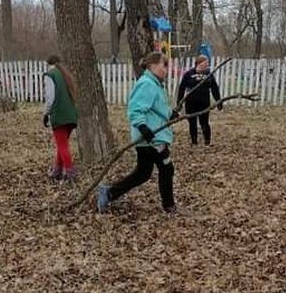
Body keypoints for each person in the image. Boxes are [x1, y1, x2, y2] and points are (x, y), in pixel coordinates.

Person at [98, 51, 177, 215]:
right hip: (152, 138)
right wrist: (142, 127)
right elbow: (136, 107)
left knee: (143, 173)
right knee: (166, 169)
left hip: (152, 136)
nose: (166, 70)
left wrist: (170, 114)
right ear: (153, 66)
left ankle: (109, 193)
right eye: (164, 65)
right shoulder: (147, 83)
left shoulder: (155, 84)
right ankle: (169, 207)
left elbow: (156, 109)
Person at [43, 55, 79, 181]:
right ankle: (56, 172)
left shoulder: (50, 75)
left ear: (48, 64)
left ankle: (71, 174)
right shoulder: (65, 74)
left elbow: (50, 97)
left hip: (59, 116)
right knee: (62, 144)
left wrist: (46, 114)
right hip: (71, 116)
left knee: (63, 146)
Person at [176, 54, 222, 146]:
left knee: (204, 122)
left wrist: (218, 101)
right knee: (192, 123)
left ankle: (207, 142)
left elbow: (214, 88)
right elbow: (182, 88)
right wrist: (179, 103)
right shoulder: (189, 74)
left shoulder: (208, 74)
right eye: (206, 62)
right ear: (199, 63)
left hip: (204, 103)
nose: (207, 64)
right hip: (191, 103)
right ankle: (194, 142)